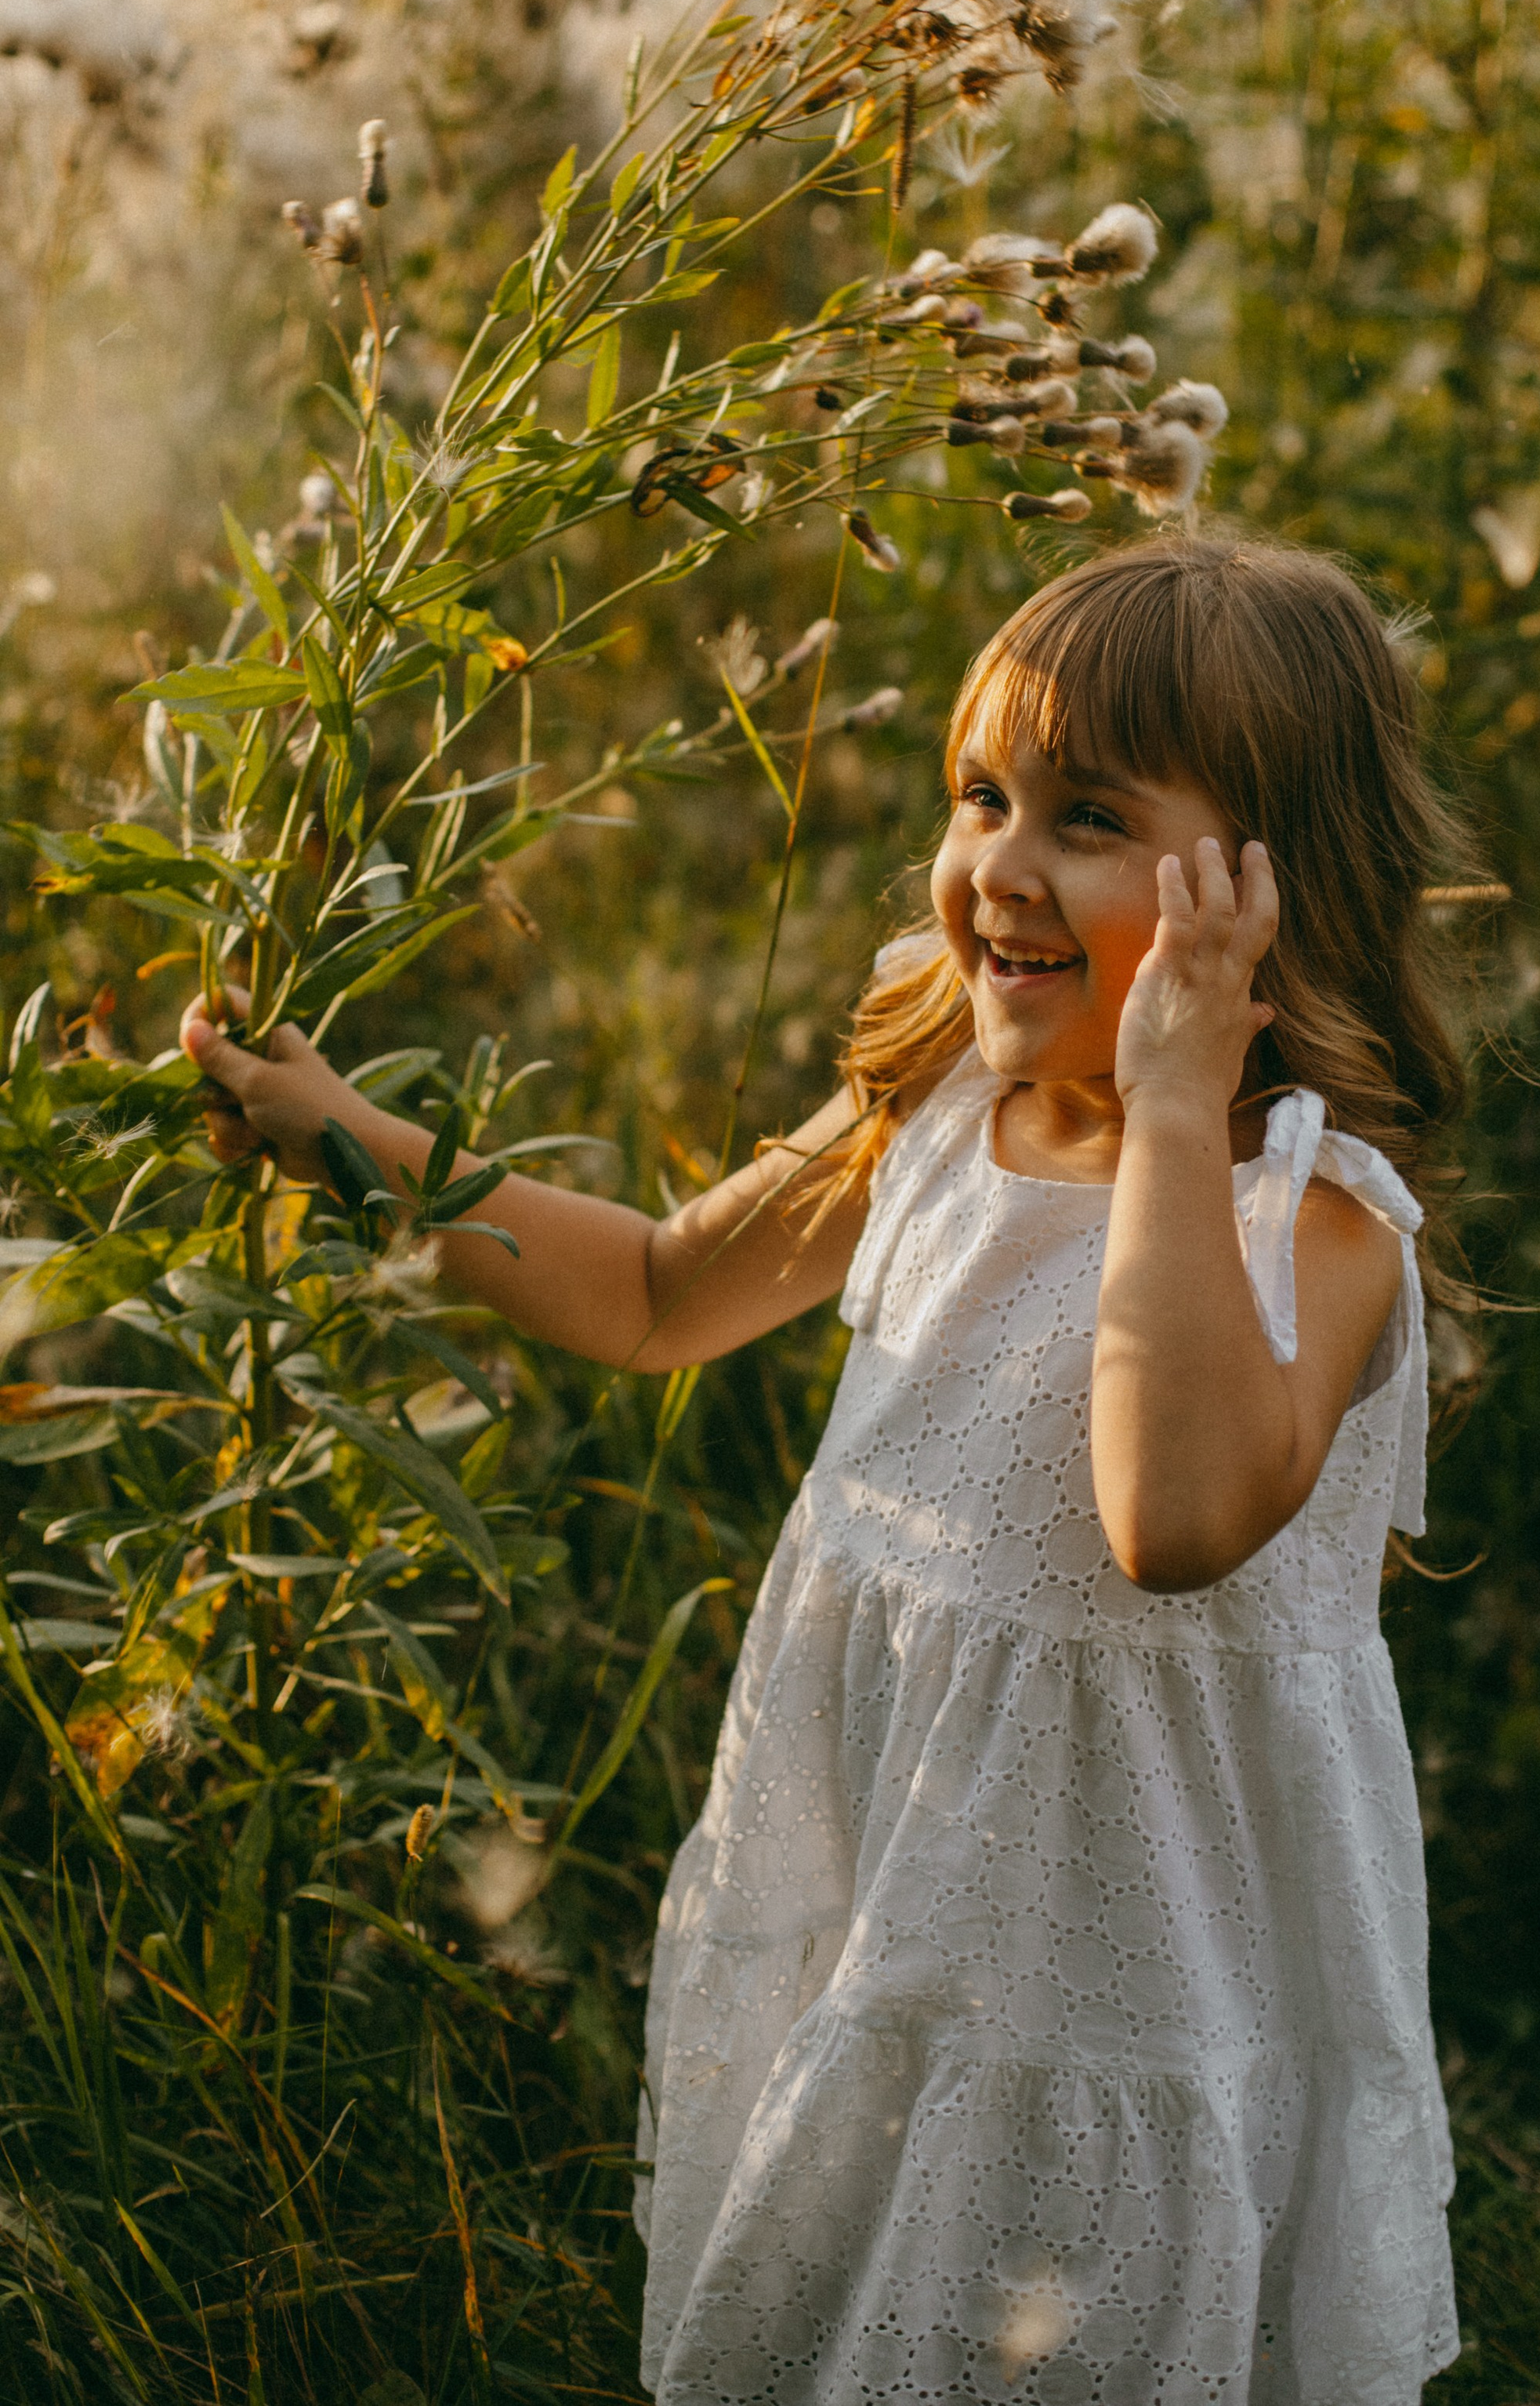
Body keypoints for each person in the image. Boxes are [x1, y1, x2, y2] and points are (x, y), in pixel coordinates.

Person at [185, 531, 1472, 2406]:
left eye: (1089, 816)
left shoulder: (1310, 1224)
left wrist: (1178, 1098)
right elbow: (644, 1293)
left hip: (1133, 1970)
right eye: (979, 795)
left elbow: (1169, 1516)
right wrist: (349, 1142)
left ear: (1265, 885)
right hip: (908, 1901)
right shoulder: (941, 1116)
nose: (997, 869)